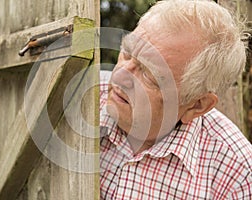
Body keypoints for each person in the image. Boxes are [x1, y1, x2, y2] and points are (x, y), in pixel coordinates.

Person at [100, 0, 252, 199]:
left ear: (197, 105)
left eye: (148, 74)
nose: (120, 76)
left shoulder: (237, 176)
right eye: (127, 53)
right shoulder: (73, 97)